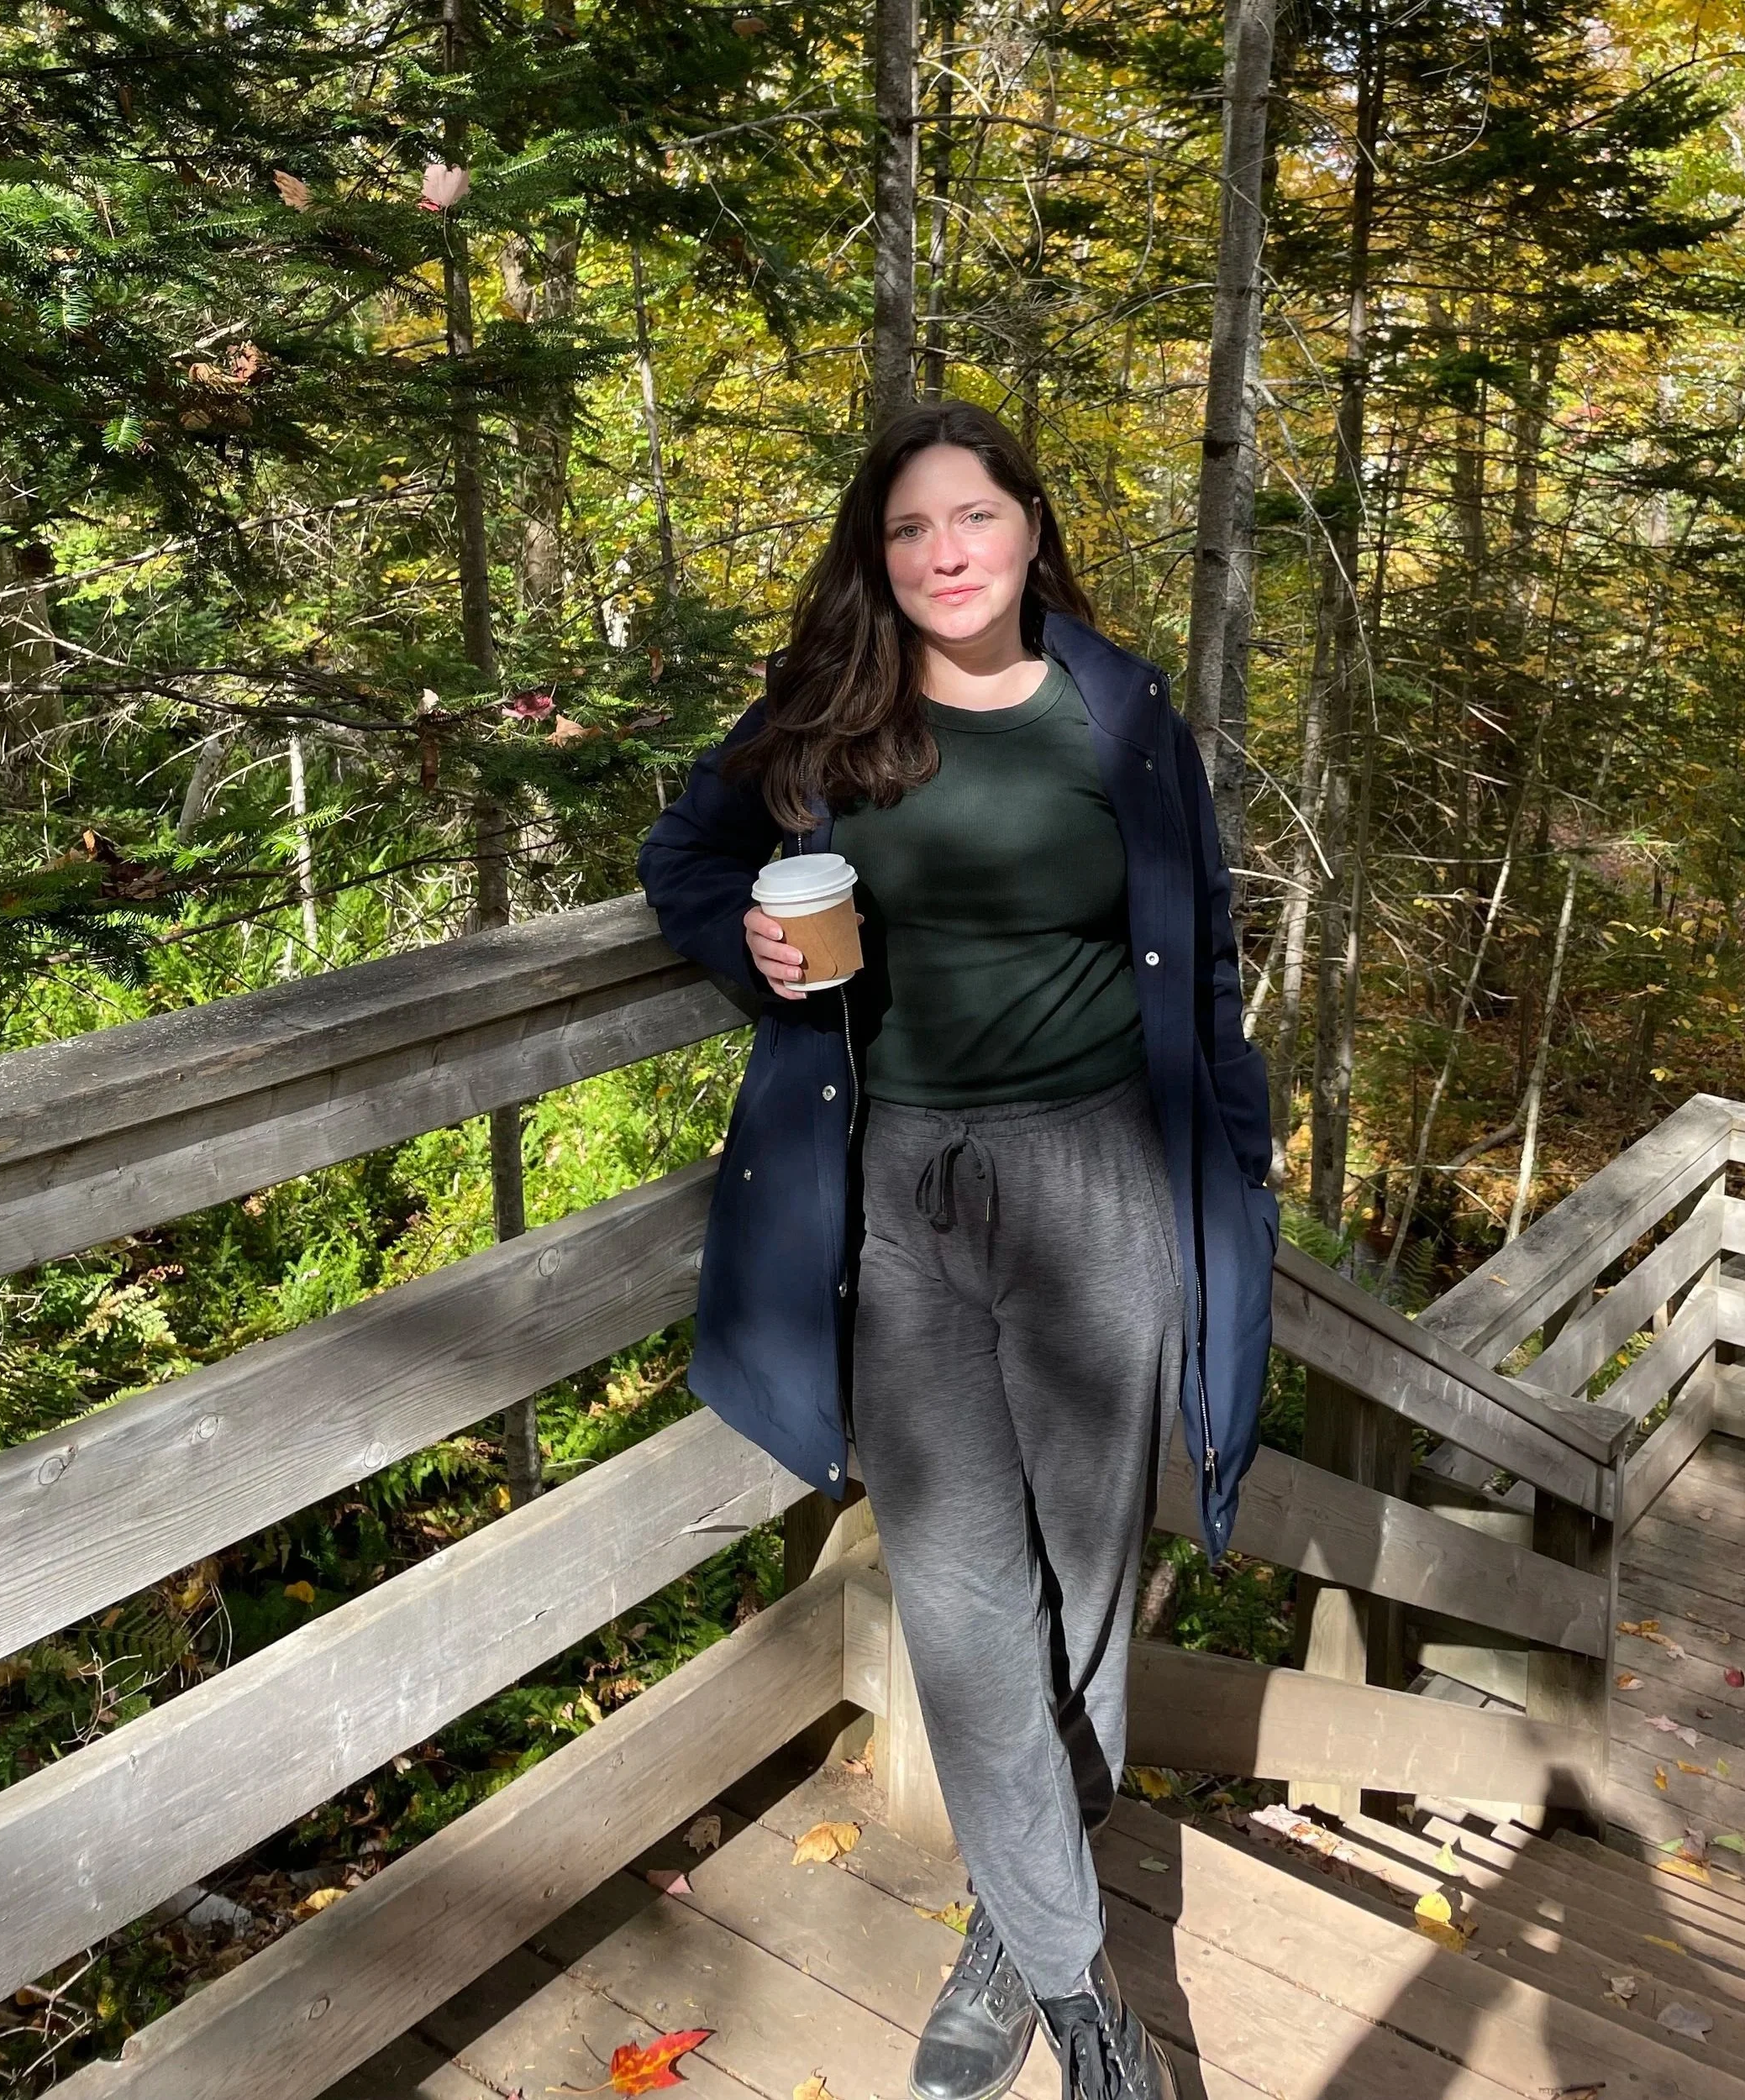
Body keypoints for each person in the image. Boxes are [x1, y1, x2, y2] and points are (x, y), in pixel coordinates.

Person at [638, 402, 1276, 2100]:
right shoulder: (826, 711)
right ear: (879, 551)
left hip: (1093, 1191)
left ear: (1026, 526)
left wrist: (1233, 1173)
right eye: (909, 526)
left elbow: (1200, 958)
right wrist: (747, 946)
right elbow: (684, 856)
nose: (942, 551)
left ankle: (1011, 1922)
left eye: (971, 515)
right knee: (962, 1595)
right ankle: (1087, 2005)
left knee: (1079, 1573)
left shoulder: (1118, 709)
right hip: (893, 1199)